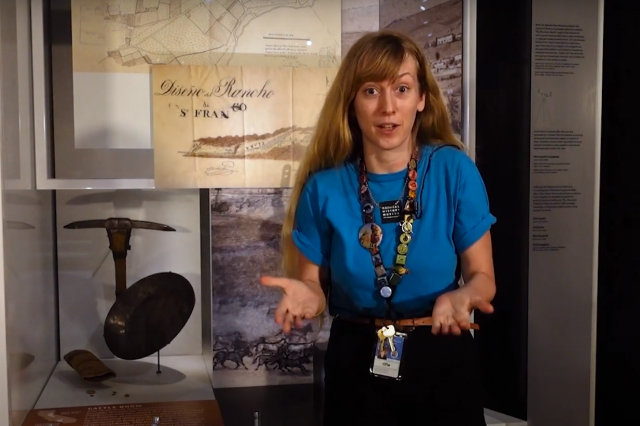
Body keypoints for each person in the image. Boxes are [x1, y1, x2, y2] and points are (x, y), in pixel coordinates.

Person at [260, 29, 497, 426]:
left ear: (421, 99)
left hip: (441, 353)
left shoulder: (454, 171)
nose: (388, 107)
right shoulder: (323, 188)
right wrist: (308, 296)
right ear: (352, 102)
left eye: (401, 89)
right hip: (356, 361)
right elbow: (315, 291)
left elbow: (483, 276)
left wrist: (465, 295)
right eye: (371, 91)